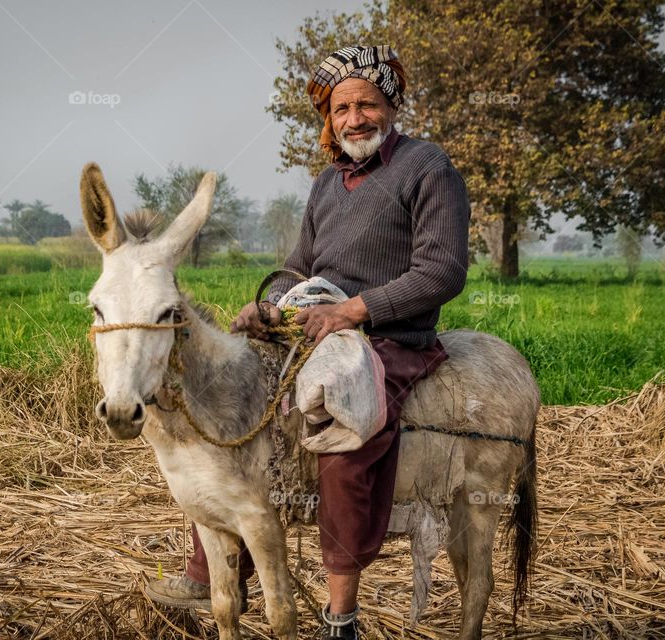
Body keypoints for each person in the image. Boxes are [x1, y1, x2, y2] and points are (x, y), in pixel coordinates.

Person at [146, 44, 471, 639]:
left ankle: (340, 613)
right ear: (329, 116)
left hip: (390, 338)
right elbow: (301, 265)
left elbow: (443, 270)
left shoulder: (428, 168)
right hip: (313, 331)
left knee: (344, 439)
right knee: (229, 404)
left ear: (391, 106)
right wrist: (267, 306)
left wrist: (352, 310)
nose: (355, 118)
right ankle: (207, 571)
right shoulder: (327, 183)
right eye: (342, 107)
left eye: (368, 103)